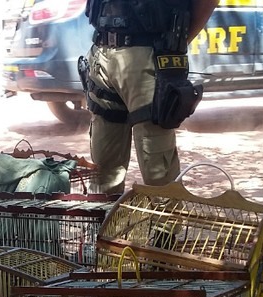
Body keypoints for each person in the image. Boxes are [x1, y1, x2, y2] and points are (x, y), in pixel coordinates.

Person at [82, 0, 219, 194]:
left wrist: (176, 43)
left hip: (148, 55)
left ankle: (166, 224)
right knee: (103, 173)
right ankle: (103, 224)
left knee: (159, 177)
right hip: (102, 54)